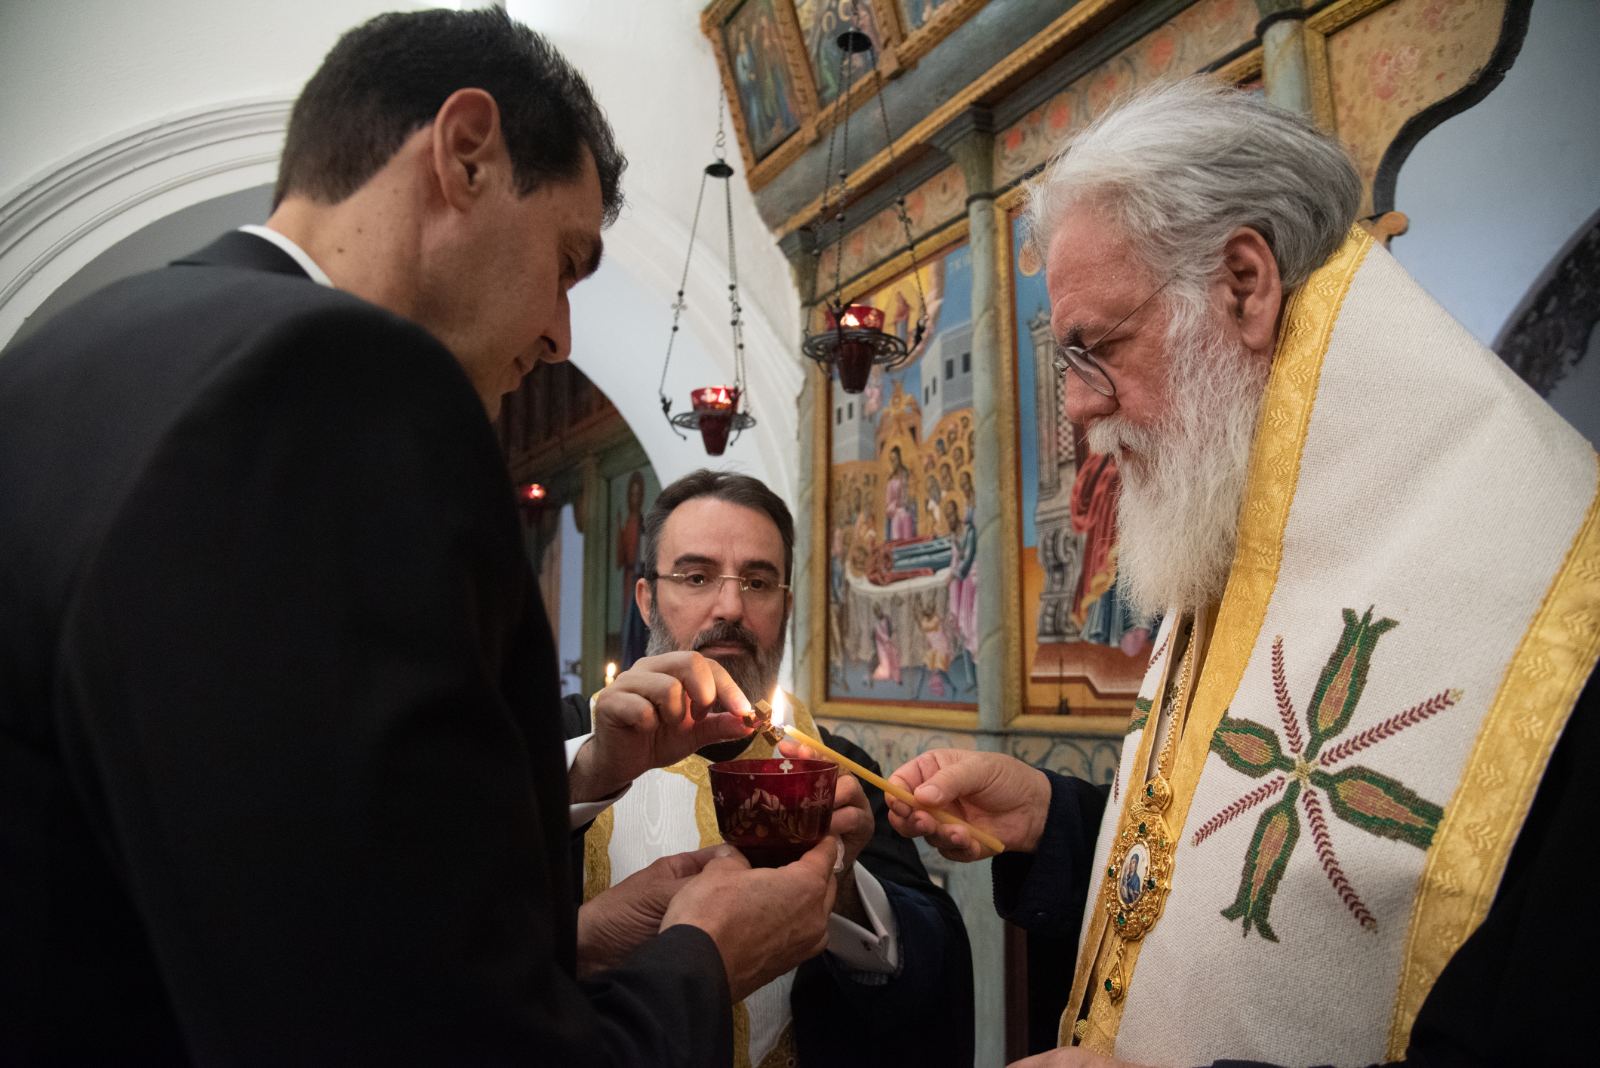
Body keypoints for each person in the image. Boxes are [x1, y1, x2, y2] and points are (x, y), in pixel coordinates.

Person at [0, 10, 839, 1064]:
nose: (560, 334)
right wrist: (705, 960)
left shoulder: (62, 362)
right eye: (566, 261)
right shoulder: (339, 380)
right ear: (466, 154)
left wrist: (578, 809)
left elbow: (283, 877)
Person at [887, 80, 1598, 1067]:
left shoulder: (1561, 608)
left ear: (1243, 284)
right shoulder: (1242, 506)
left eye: (1096, 349)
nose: (1079, 412)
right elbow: (1227, 874)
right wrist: (1053, 821)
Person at [564, 470, 974, 1066]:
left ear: (786, 606)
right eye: (697, 577)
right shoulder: (563, 743)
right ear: (647, 600)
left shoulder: (838, 767)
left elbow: (931, 974)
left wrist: (843, 887)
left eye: (757, 582)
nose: (731, 607)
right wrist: (588, 775)